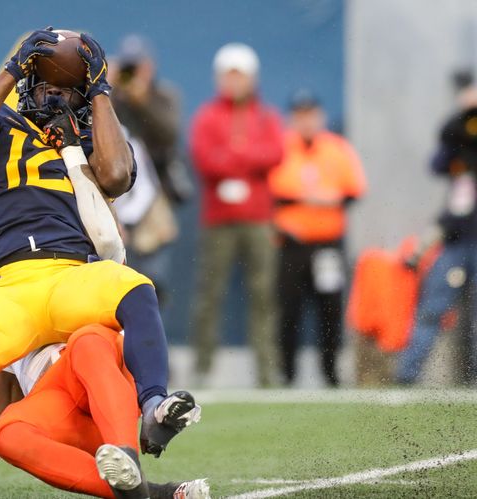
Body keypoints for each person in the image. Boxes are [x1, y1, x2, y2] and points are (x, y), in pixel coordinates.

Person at [0, 28, 195, 499]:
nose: (54, 94)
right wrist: (12, 68)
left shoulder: (89, 138)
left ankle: (154, 404)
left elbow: (117, 175)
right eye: (46, 84)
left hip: (68, 274)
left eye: (66, 88)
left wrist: (100, 92)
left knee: (133, 287)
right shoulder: (0, 125)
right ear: (29, 83)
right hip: (7, 284)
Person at [0, 325, 208, 499]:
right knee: (8, 432)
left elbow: (138, 334)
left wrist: (149, 406)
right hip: (66, 418)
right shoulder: (11, 331)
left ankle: (139, 437)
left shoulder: (89, 283)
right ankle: (149, 492)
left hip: (111, 404)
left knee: (88, 340)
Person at [189, 43, 283, 386]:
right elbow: (204, 158)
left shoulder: (266, 116)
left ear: (252, 79)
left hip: (258, 218)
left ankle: (266, 371)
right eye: (228, 77)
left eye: (239, 77)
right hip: (218, 220)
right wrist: (242, 158)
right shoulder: (208, 116)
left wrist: (233, 158)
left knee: (263, 295)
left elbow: (275, 152)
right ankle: (202, 368)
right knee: (209, 295)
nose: (234, 83)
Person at [268, 90, 367, 386]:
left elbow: (353, 191)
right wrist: (309, 199)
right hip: (291, 243)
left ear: (320, 116)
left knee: (330, 310)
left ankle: (331, 372)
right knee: (289, 311)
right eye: (300, 115)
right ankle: (287, 374)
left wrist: (322, 200)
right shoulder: (281, 148)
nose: (306, 121)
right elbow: (273, 193)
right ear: (291, 119)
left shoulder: (337, 149)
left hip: (327, 243)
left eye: (310, 114)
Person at [396, 105, 477, 385]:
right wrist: (465, 110)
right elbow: (439, 158)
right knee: (432, 309)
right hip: (458, 243)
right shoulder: (461, 157)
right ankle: (406, 376)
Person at [108, 35, 188, 298]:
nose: (133, 74)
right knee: (114, 278)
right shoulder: (110, 97)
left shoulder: (164, 95)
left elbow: (169, 134)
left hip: (154, 197)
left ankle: (150, 337)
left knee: (152, 282)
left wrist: (142, 100)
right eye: (128, 67)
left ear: (150, 66)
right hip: (116, 196)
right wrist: (101, 91)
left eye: (137, 67)